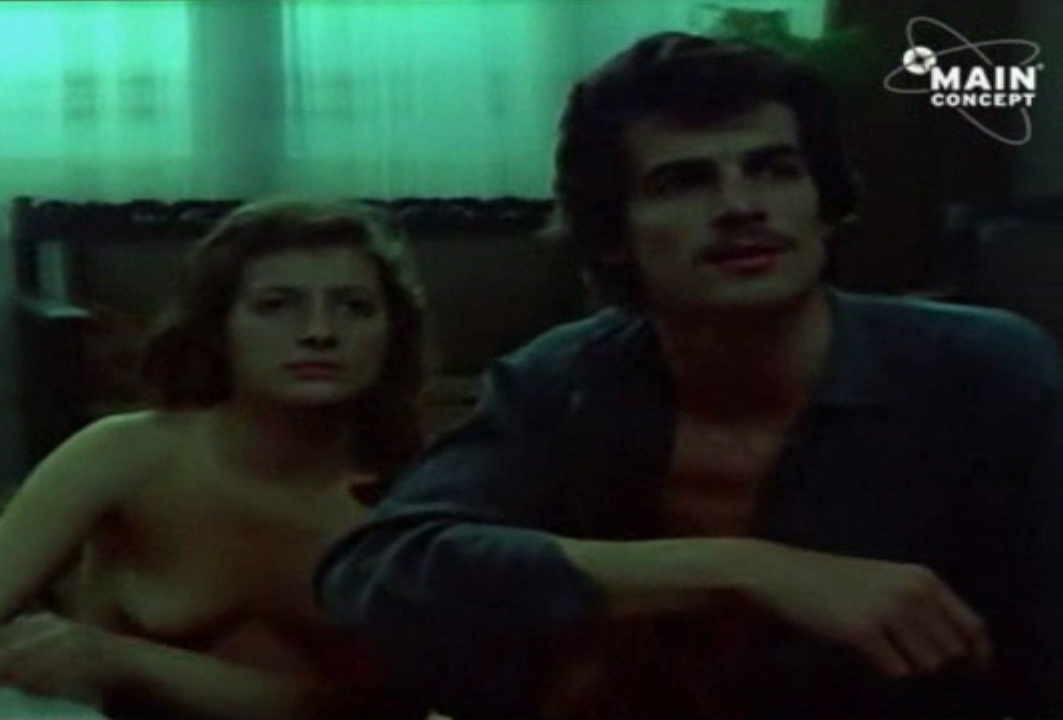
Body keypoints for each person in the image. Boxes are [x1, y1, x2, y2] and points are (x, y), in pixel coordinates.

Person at [316, 32, 1063, 720]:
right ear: (613, 233)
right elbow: (377, 572)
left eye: (774, 170)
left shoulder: (981, 373)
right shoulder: (566, 380)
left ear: (824, 205)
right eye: (683, 181)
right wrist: (739, 568)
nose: (741, 206)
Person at [0, 199, 431, 719]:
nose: (319, 332)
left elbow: (385, 708)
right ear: (219, 329)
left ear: (392, 331)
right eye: (276, 306)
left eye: (354, 307)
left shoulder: (414, 498)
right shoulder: (126, 454)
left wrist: (128, 660)